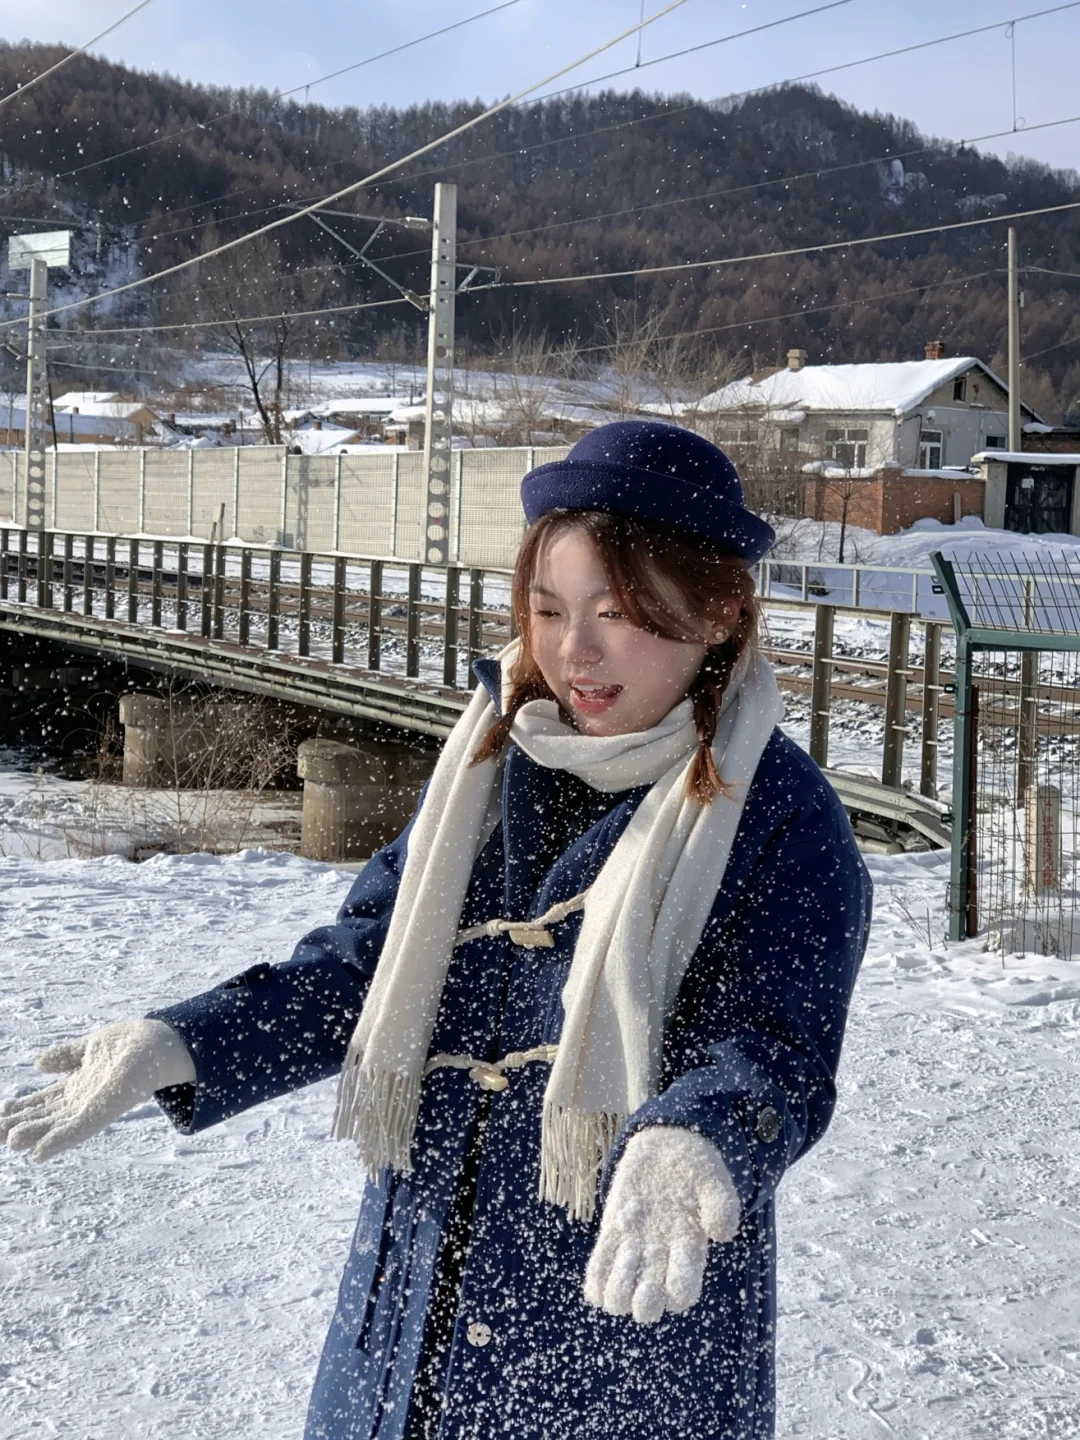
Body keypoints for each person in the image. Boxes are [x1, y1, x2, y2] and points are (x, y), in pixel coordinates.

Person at [0, 420, 872, 1440]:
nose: (572, 651)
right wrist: (185, 1039)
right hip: (404, 1327)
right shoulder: (489, 762)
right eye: (547, 609)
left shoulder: (780, 816)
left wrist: (696, 1137)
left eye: (619, 614)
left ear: (718, 613)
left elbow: (775, 1047)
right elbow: (366, 962)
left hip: (617, 1338)